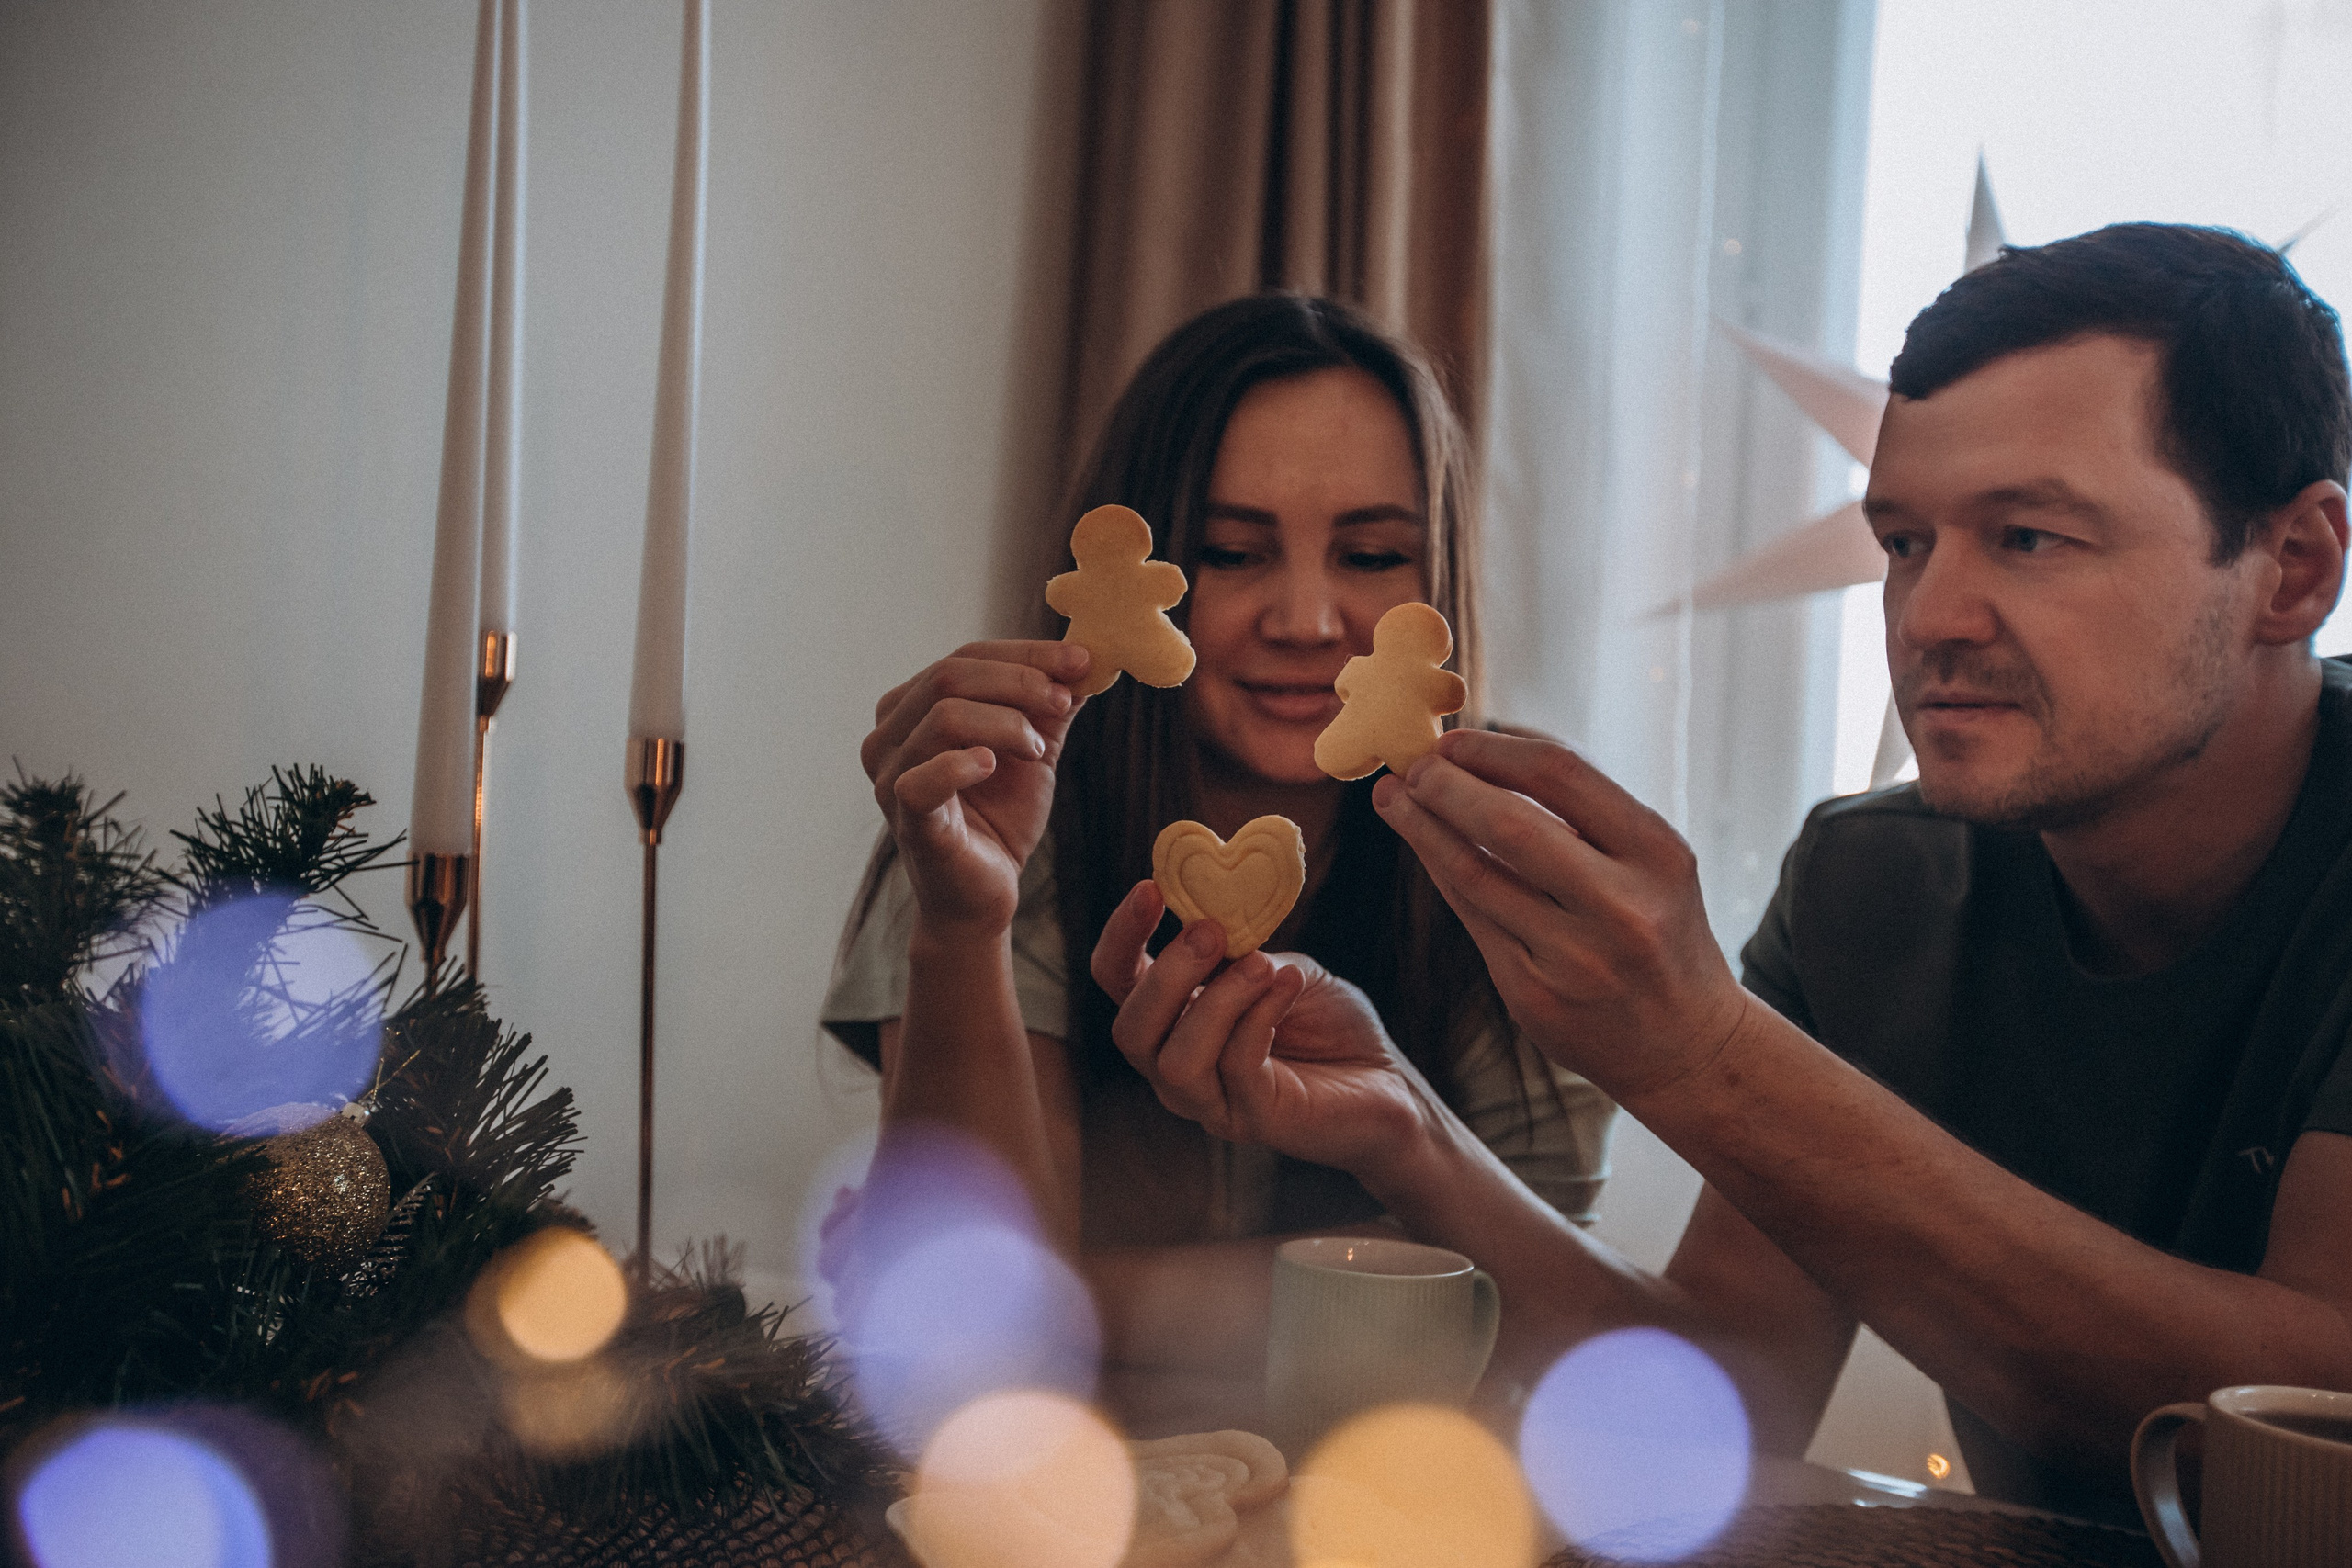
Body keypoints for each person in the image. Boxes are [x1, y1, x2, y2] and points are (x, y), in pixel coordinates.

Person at [1095, 224, 2352, 1522]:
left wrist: (1700, 1049)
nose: (1928, 618)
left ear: (2294, 568)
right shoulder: (1869, 886)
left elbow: (2310, 1415)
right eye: (1908, 541)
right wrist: (1409, 1129)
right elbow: (1725, 1401)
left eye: (2030, 536)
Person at [822, 293, 1611, 1430]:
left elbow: (1534, 1320)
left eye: (1373, 553)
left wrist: (1075, 1292)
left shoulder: (1518, 845)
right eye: (1232, 552)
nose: (1304, 616)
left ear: (1437, 579)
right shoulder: (996, 818)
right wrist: (960, 928)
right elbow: (969, 1354)